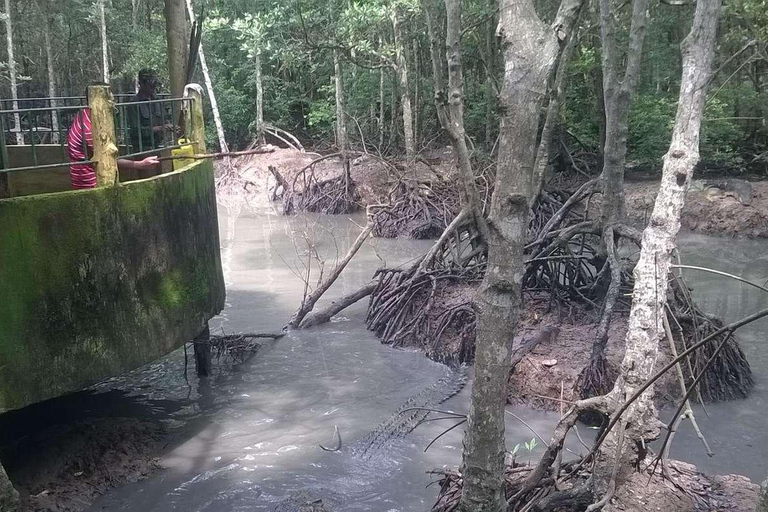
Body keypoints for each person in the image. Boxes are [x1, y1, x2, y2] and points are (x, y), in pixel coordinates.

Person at [68, 87, 160, 190]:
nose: (113, 103)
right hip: (89, 180)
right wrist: (140, 164)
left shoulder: (83, 113)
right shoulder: (89, 128)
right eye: (109, 101)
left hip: (85, 172)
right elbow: (106, 157)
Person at [128, 69, 174, 151]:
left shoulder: (157, 100)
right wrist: (158, 128)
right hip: (142, 148)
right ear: (141, 84)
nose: (153, 87)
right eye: (150, 84)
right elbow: (135, 131)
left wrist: (170, 126)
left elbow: (164, 118)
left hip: (157, 146)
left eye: (155, 84)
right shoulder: (134, 103)